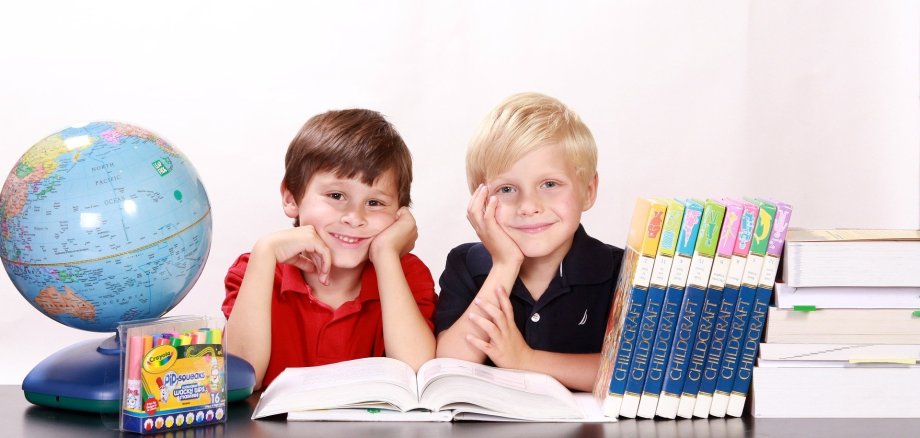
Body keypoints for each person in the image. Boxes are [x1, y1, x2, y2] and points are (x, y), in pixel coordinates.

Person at [223, 109, 437, 389]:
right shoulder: (256, 270)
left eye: (375, 203)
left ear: (400, 214)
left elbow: (419, 377)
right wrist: (265, 252)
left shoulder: (406, 275)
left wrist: (385, 255)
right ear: (291, 198)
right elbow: (240, 382)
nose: (355, 217)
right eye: (336, 196)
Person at [435, 92, 623, 392]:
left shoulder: (619, 271)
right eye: (507, 189)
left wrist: (526, 359)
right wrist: (505, 263)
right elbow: (448, 365)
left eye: (549, 184)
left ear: (588, 190)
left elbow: (628, 372)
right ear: (480, 200)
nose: (528, 206)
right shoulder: (467, 264)